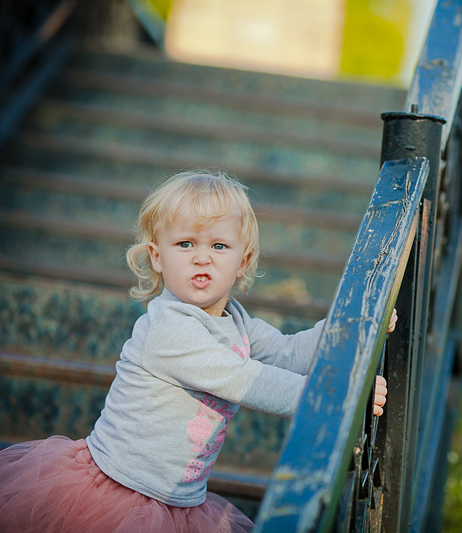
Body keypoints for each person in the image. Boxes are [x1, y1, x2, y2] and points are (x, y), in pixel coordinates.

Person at [0, 170, 395, 532]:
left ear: (243, 260)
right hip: (120, 491)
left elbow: (289, 353)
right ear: (157, 257)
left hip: (181, 501)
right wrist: (339, 394)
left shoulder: (236, 321)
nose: (201, 256)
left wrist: (352, 327)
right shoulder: (169, 328)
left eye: (219, 245)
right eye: (185, 243)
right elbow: (244, 380)